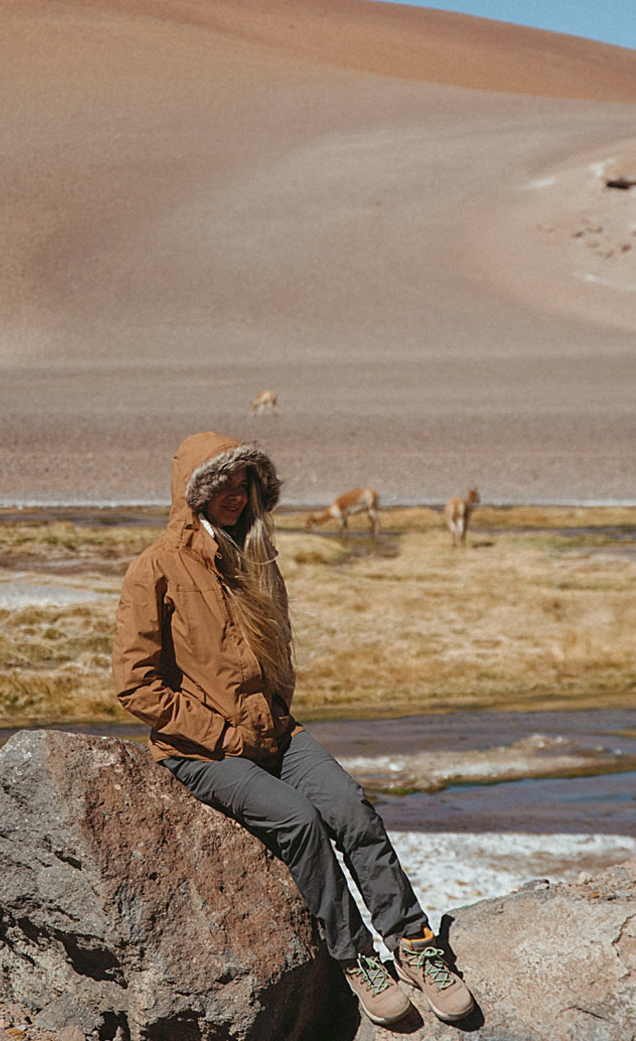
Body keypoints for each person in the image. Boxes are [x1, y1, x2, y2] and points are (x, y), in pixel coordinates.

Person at [112, 431, 475, 1027]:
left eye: (242, 484)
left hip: (275, 732)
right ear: (192, 492)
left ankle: (413, 943)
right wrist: (224, 736)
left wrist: (275, 710)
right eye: (219, 485)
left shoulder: (255, 552)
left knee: (353, 809)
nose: (233, 496)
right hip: (202, 750)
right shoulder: (155, 568)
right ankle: (356, 958)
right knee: (300, 822)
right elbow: (135, 683)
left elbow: (272, 650)